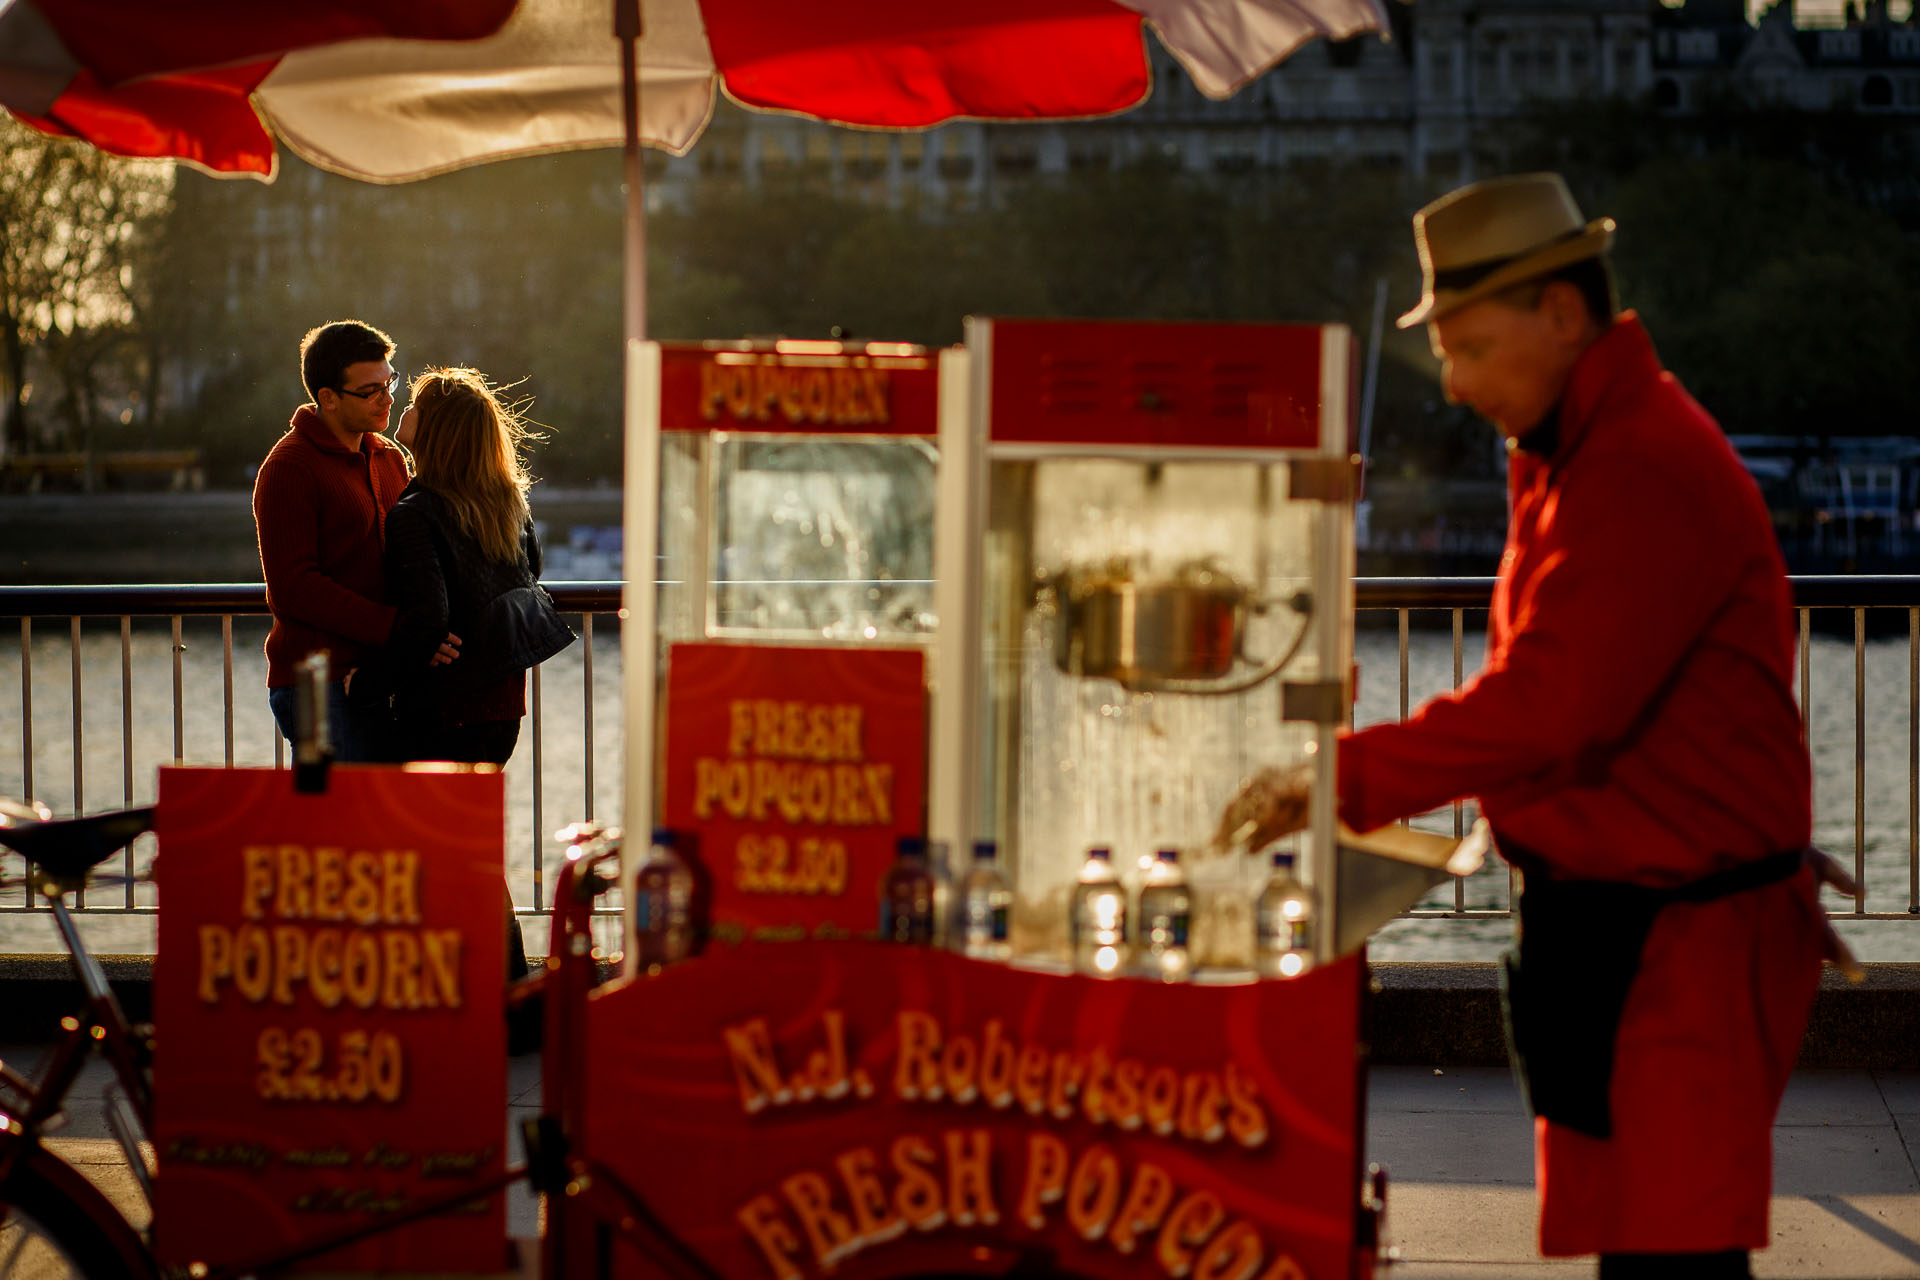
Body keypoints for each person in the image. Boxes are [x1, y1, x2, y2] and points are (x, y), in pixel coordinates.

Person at [1217, 173, 1858, 1280]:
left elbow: (1550, 706)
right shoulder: (1592, 450)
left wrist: (1339, 774)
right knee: (1658, 1249)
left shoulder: (1636, 463)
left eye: (1467, 346)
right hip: (1647, 926)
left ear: (1563, 314)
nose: (1455, 383)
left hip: (1679, 945)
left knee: (1672, 1257)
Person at [348, 367, 573, 767]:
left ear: (437, 428)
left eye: (417, 405)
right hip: (502, 706)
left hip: (442, 710)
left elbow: (428, 622)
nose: (406, 409)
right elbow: (530, 571)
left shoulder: (415, 513)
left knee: (425, 826)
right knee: (470, 822)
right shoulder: (507, 502)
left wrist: (364, 685)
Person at [254, 320, 457, 761]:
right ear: (327, 397)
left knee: (378, 823)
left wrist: (420, 632)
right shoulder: (289, 467)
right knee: (339, 826)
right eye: (370, 391)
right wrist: (396, 627)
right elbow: (295, 588)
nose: (388, 399)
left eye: (389, 383)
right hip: (316, 683)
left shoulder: (388, 457)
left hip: (380, 671)